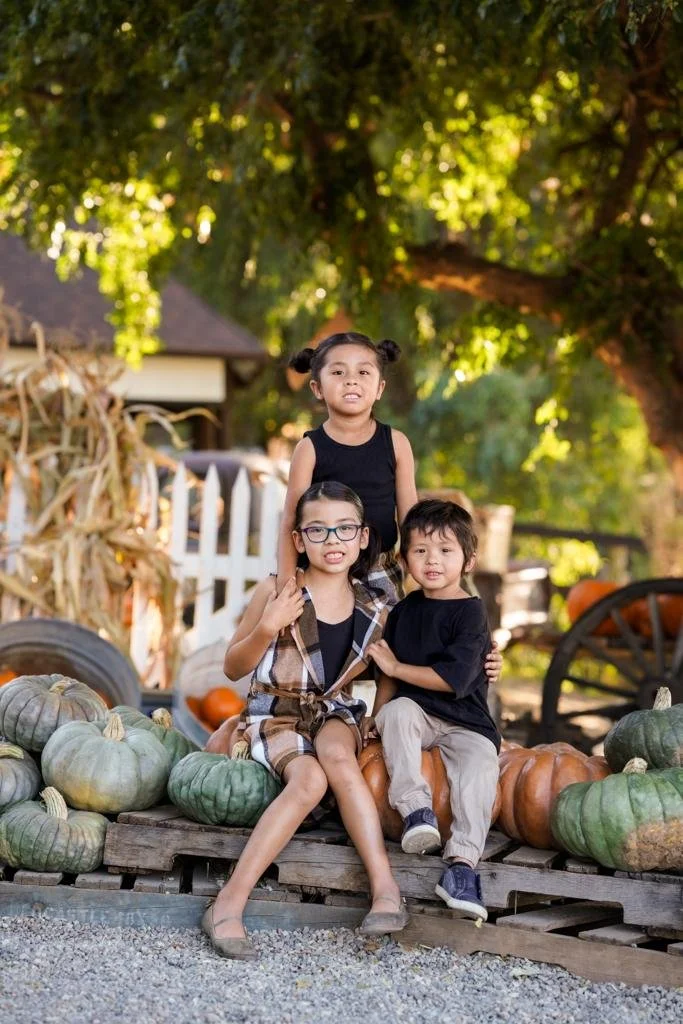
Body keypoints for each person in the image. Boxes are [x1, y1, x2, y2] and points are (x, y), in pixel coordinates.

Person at [203, 481, 409, 960]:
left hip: (333, 711)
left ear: (362, 538)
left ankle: (385, 889)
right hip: (275, 713)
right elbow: (233, 667)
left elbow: (388, 670)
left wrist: (377, 714)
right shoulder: (277, 591)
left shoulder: (377, 603)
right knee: (311, 779)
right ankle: (228, 903)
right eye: (317, 530)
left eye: (344, 529)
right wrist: (267, 627)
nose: (332, 540)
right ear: (298, 540)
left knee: (338, 754)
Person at [281, 329, 502, 682]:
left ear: (380, 387)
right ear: (317, 388)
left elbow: (412, 521)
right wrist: (287, 582)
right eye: (338, 372)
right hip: (325, 565)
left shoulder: (395, 443)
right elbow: (291, 520)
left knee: (404, 638)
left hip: (381, 568)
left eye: (363, 372)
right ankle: (322, 712)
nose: (351, 381)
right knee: (312, 651)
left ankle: (385, 719)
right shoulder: (309, 448)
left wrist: (425, 576)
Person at [367, 499, 501, 923]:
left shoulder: (471, 612)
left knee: (480, 764)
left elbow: (454, 680)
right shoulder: (402, 612)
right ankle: (416, 811)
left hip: (467, 720)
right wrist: (377, 714)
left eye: (445, 551)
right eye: (420, 551)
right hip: (417, 714)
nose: (432, 561)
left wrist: (396, 667)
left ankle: (462, 867)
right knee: (398, 712)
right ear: (405, 559)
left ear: (468, 560)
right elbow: (388, 676)